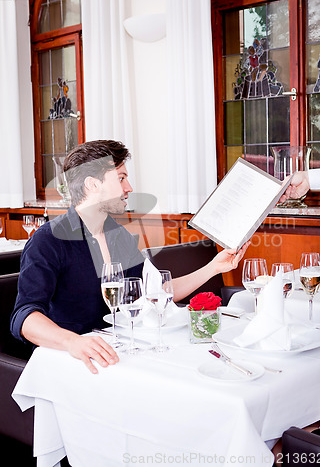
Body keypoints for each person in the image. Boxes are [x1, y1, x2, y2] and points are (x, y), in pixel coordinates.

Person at [11, 140, 248, 374]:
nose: (129, 188)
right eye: (121, 178)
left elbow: (154, 291)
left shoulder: (118, 235)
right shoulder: (48, 240)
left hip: (116, 355)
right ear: (92, 184)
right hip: (70, 361)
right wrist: (73, 342)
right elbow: (25, 318)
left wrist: (213, 268)